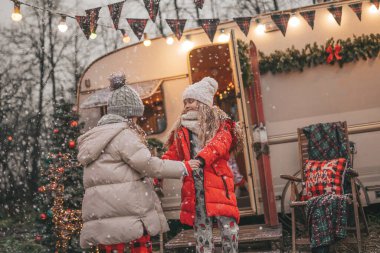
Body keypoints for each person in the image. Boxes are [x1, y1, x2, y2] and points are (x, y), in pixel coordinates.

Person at [77, 72, 194, 253]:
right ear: (129, 115)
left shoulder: (96, 136)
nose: (137, 121)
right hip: (128, 219)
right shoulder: (123, 135)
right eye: (136, 116)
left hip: (106, 222)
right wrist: (184, 167)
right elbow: (149, 165)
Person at [162, 77, 242, 253]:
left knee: (228, 227)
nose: (187, 105)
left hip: (218, 184)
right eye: (185, 102)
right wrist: (159, 167)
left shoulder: (220, 124)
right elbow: (174, 153)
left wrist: (201, 158)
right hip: (195, 186)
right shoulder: (181, 129)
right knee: (202, 230)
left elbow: (220, 145)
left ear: (202, 102)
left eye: (190, 101)